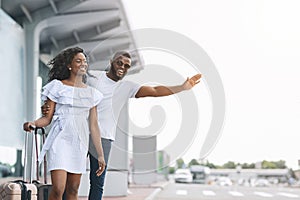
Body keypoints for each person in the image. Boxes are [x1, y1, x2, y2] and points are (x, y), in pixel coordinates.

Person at [43, 50, 201, 200]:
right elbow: (69, 87)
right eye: (119, 63)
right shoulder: (92, 76)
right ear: (111, 62)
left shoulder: (128, 87)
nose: (123, 67)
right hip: (77, 134)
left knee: (97, 184)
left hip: (103, 137)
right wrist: (49, 105)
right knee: (67, 184)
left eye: (127, 66)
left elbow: (154, 90)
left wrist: (182, 87)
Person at [24, 47, 106, 200]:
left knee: (73, 189)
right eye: (78, 61)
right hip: (60, 140)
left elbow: (94, 126)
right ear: (69, 65)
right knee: (58, 188)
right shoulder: (57, 86)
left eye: (85, 61)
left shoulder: (92, 94)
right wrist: (33, 123)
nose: (83, 64)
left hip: (79, 142)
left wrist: (100, 155)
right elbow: (46, 118)